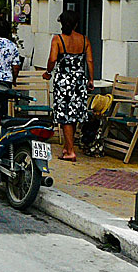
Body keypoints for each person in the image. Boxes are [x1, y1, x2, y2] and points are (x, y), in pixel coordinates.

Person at [43, 9, 94, 162]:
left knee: (65, 116)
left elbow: (52, 59)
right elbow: (89, 61)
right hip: (79, 81)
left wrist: (48, 72)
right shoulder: (84, 40)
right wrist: (91, 79)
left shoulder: (58, 39)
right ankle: (67, 146)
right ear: (76, 24)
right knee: (75, 114)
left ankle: (70, 151)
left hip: (64, 81)